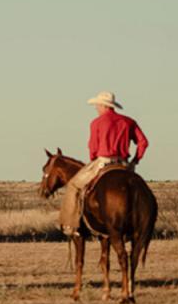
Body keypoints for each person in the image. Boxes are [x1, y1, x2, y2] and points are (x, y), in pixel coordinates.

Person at [60, 91, 148, 237]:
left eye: (97, 105)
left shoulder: (97, 122)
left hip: (102, 162)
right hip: (123, 163)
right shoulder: (128, 121)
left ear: (103, 105)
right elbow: (143, 142)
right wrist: (135, 161)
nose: (96, 108)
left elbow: (93, 147)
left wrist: (93, 160)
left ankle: (70, 225)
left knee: (74, 185)